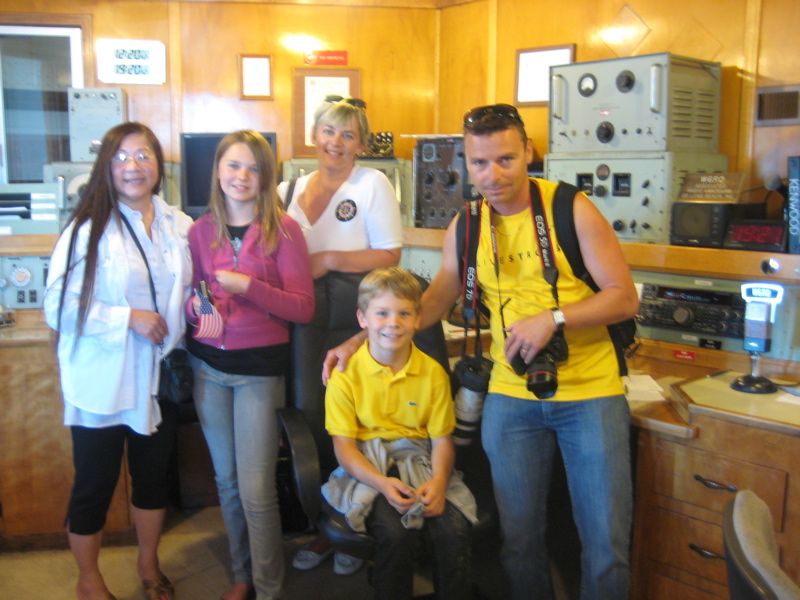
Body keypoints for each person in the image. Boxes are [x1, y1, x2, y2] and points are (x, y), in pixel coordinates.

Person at [324, 105, 640, 600]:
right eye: (478, 163)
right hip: (510, 396)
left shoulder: (568, 209)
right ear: (466, 161)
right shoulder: (466, 225)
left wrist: (554, 318)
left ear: (529, 152)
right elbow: (429, 306)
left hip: (591, 395)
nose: (491, 176)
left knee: (605, 544)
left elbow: (624, 295)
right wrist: (359, 338)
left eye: (506, 160)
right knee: (517, 541)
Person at [44, 122, 193, 600]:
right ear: (106, 167)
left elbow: (193, 291)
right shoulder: (86, 229)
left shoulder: (179, 225)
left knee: (152, 483)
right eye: (122, 157)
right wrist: (127, 317)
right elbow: (58, 308)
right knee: (93, 486)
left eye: (144, 156)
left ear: (158, 165)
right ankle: (89, 580)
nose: (134, 167)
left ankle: (149, 566)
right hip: (103, 381)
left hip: (159, 379)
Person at [185, 130, 315, 600]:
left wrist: (248, 287)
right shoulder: (200, 230)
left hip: (259, 372)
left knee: (258, 489)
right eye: (233, 166)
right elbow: (193, 294)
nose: (242, 177)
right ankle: (243, 576)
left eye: (253, 168)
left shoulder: (285, 230)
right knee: (227, 480)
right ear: (218, 171)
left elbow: (303, 308)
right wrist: (195, 308)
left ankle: (269, 588)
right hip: (208, 369)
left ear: (266, 177)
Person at [277, 95, 403, 576]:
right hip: (303, 319)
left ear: (361, 144)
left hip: (354, 316)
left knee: (355, 421)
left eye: (348, 135)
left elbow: (390, 254)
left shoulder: (372, 183)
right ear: (314, 134)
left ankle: (357, 522)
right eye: (329, 131)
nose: (337, 142)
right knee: (310, 418)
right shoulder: (290, 188)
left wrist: (328, 260)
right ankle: (322, 527)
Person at [323, 267, 477, 600]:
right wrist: (380, 483)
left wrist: (438, 483)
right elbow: (344, 449)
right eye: (382, 313)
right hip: (369, 464)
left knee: (453, 530)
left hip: (419, 458)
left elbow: (441, 442)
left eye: (404, 313)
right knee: (395, 535)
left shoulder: (433, 373)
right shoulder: (345, 376)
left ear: (418, 319)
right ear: (363, 319)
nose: (393, 322)